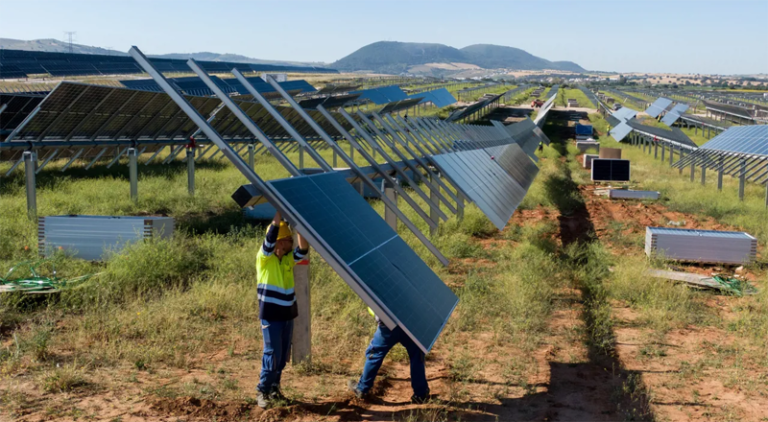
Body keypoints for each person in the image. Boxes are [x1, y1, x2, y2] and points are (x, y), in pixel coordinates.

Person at [256, 211, 309, 408]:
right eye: (287, 239)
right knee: (272, 354)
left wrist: (299, 225)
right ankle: (262, 391)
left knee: (282, 356)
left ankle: (274, 389)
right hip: (271, 316)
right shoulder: (264, 258)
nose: (291, 243)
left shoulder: (287, 259)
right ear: (279, 243)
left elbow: (303, 249)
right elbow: (270, 238)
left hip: (287, 315)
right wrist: (278, 212)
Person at [348, 310, 430, 403]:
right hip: (410, 323)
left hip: (388, 324)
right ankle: (421, 394)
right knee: (416, 356)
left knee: (375, 354)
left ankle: (362, 389)